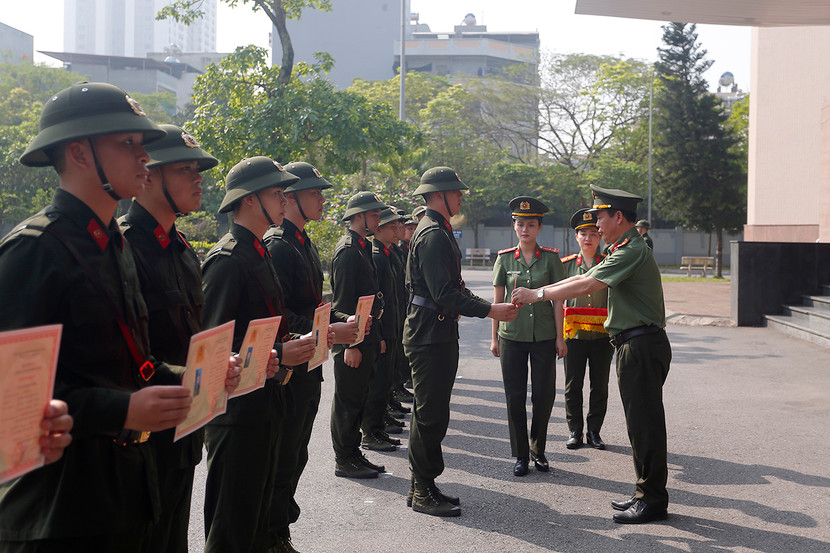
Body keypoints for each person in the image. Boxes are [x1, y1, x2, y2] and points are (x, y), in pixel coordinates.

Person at [0, 82, 193, 551]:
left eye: (141, 144)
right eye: (126, 144)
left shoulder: (115, 245)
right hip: (60, 508)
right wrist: (123, 409)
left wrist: (197, 377)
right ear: (79, 153)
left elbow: (132, 365)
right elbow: (13, 396)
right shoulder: (35, 250)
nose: (143, 156)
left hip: (126, 492)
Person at [512, 185, 671, 525]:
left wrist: (536, 293)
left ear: (618, 217)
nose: (596, 223)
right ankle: (646, 492)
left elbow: (585, 285)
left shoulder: (630, 249)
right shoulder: (623, 248)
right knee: (638, 424)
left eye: (600, 216)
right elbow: (584, 277)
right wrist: (541, 293)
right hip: (634, 344)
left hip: (641, 345)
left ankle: (653, 499)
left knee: (645, 426)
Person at [119, 124, 242, 553]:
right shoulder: (125, 249)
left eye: (198, 170)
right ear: (148, 176)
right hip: (139, 437)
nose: (198, 179)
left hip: (184, 429)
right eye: (185, 169)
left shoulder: (184, 251)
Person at [201, 156, 317, 553]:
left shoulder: (258, 253)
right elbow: (213, 351)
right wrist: (280, 352)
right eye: (276, 193)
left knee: (255, 523)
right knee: (231, 529)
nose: (284, 200)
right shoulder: (227, 261)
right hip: (237, 415)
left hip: (267, 403)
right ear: (250, 200)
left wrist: (287, 348)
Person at [404, 167, 519, 517]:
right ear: (439, 195)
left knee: (430, 412)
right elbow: (444, 292)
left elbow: (452, 286)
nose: (460, 197)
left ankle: (421, 484)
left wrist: (485, 306)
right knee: (430, 414)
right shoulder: (434, 234)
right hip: (429, 334)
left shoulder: (436, 230)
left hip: (433, 331)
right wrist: (489, 311)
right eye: (456, 192)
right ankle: (422, 488)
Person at [264, 161, 357, 553]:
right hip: (289, 364)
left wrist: (340, 319)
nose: (321, 198)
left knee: (297, 453)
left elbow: (315, 305)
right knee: (282, 458)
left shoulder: (303, 243)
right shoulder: (278, 246)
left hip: (310, 363)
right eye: (314, 192)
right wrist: (326, 331)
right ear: (290, 198)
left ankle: (279, 532)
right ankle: (269, 536)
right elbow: (280, 313)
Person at [490, 197, 566, 477]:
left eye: (530, 225)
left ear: (539, 227)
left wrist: (561, 337)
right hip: (512, 336)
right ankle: (521, 454)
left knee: (544, 396)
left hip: (545, 336)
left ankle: (539, 449)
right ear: (514, 226)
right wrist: (495, 337)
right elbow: (497, 301)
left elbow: (559, 301)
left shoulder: (551, 259)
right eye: (520, 224)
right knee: (515, 397)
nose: (525, 230)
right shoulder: (504, 258)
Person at [329, 191, 389, 478]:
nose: (378, 218)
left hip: (365, 335)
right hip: (351, 340)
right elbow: (342, 304)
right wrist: (349, 345)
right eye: (374, 214)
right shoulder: (348, 251)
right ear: (358, 216)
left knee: (359, 399)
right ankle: (345, 458)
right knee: (348, 403)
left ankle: (354, 453)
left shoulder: (363, 246)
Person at [560, 209, 614, 451]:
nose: (588, 238)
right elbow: (557, 300)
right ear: (576, 237)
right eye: (583, 233)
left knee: (599, 385)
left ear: (600, 237)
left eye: (594, 233)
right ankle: (575, 430)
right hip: (574, 336)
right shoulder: (567, 266)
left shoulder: (609, 263)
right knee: (573, 384)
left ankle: (594, 431)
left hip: (603, 336)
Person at [362, 206, 406, 450]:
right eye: (392, 226)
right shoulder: (377, 255)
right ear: (378, 229)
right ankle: (371, 431)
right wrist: (378, 333)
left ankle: (379, 423)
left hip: (394, 326)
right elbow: (375, 300)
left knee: (385, 380)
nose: (397, 229)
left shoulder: (389, 253)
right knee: (377, 383)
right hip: (383, 328)